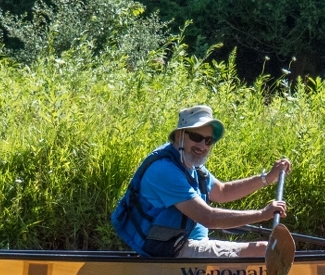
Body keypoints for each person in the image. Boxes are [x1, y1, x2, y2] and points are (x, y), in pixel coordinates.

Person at [111, 105, 290, 259]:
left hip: (186, 245)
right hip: (170, 251)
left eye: (208, 140)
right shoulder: (165, 170)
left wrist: (267, 178)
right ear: (180, 135)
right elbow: (208, 218)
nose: (202, 146)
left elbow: (223, 191)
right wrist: (262, 214)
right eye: (196, 137)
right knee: (263, 250)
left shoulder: (190, 165)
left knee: (265, 249)